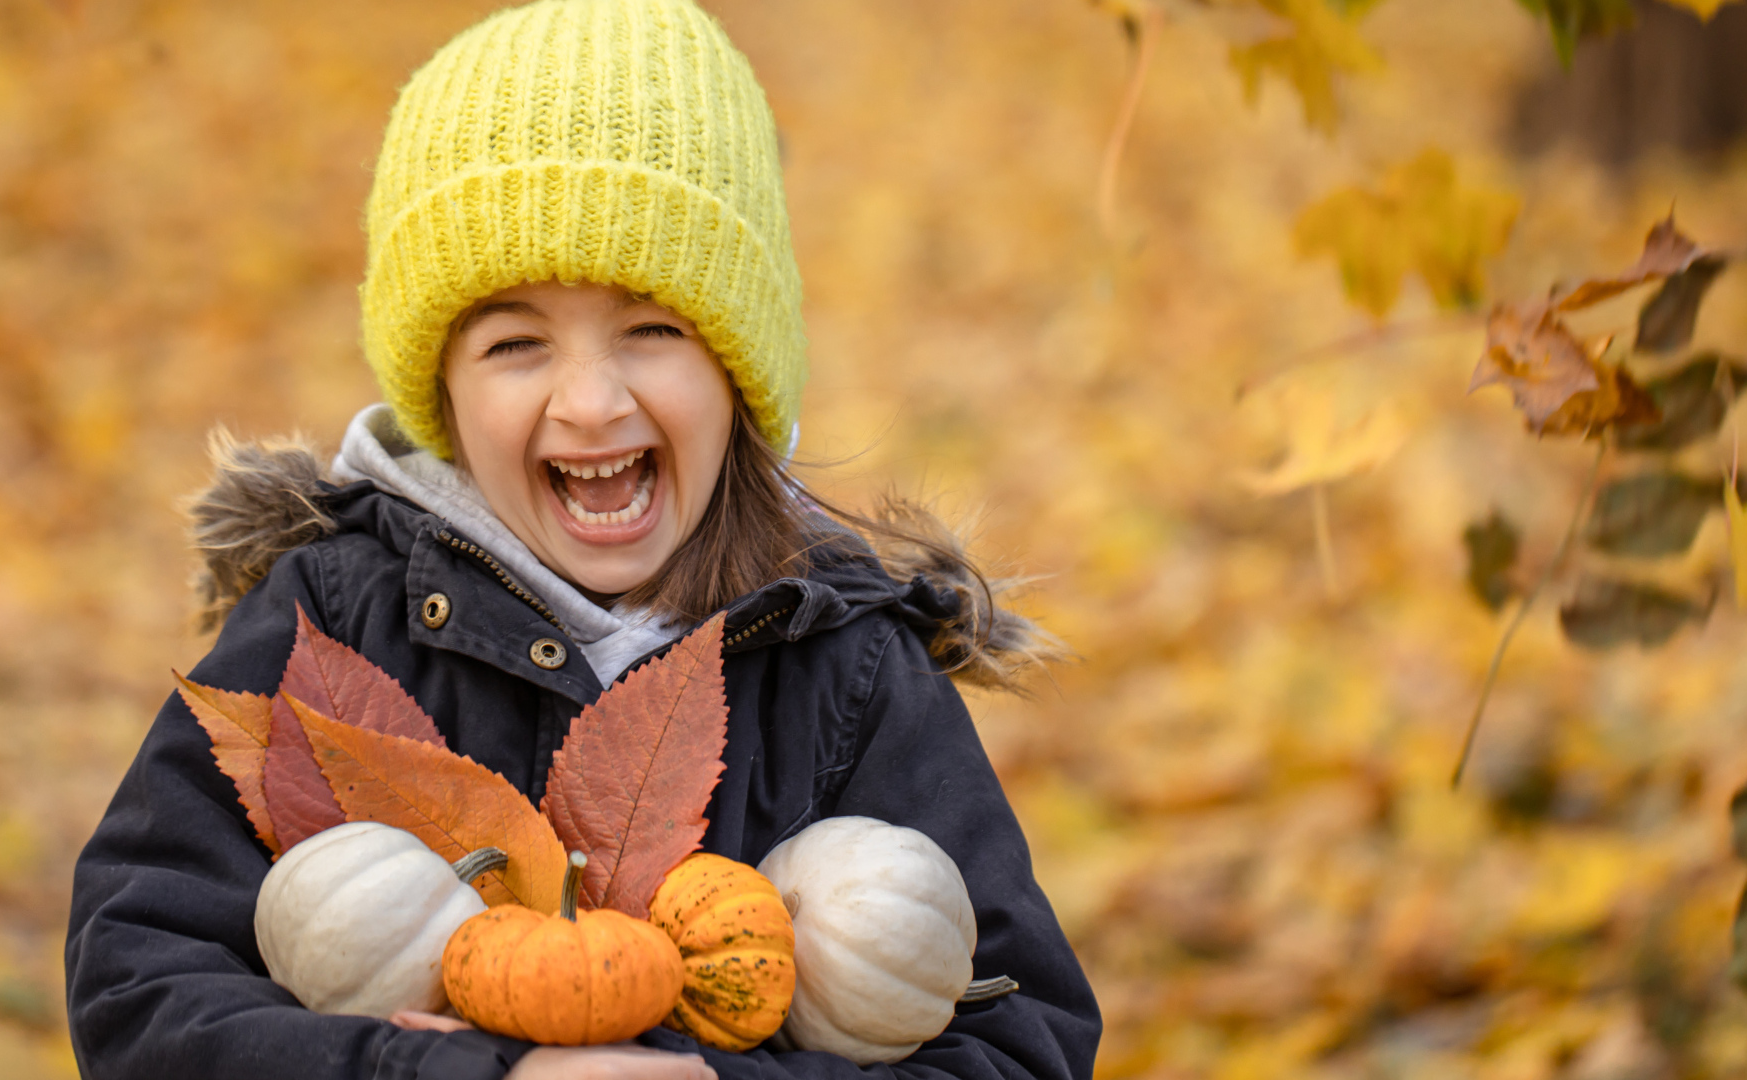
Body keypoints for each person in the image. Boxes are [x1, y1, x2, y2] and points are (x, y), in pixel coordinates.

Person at [63, 1, 1102, 1077]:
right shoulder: (333, 623)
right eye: (516, 343)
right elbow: (140, 991)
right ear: (444, 397)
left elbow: (1020, 1040)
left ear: (740, 369)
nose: (592, 403)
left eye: (653, 328)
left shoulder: (843, 667)